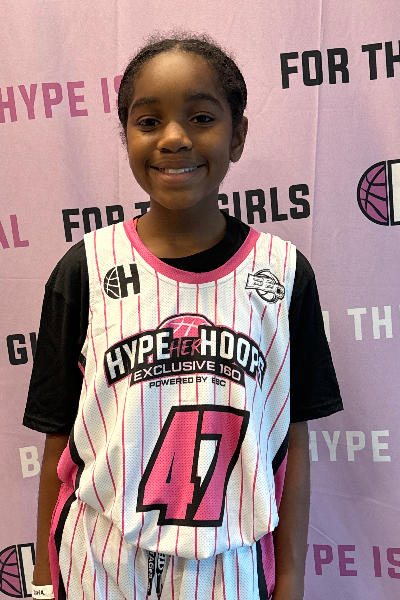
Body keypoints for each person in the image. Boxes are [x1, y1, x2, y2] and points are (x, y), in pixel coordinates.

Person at [23, 33, 343, 600]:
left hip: (230, 567)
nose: (174, 138)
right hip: (99, 562)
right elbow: (59, 445)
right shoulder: (85, 269)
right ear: (126, 136)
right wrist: (46, 585)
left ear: (237, 135)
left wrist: (291, 580)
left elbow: (292, 444)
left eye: (201, 117)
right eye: (149, 122)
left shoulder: (284, 274)